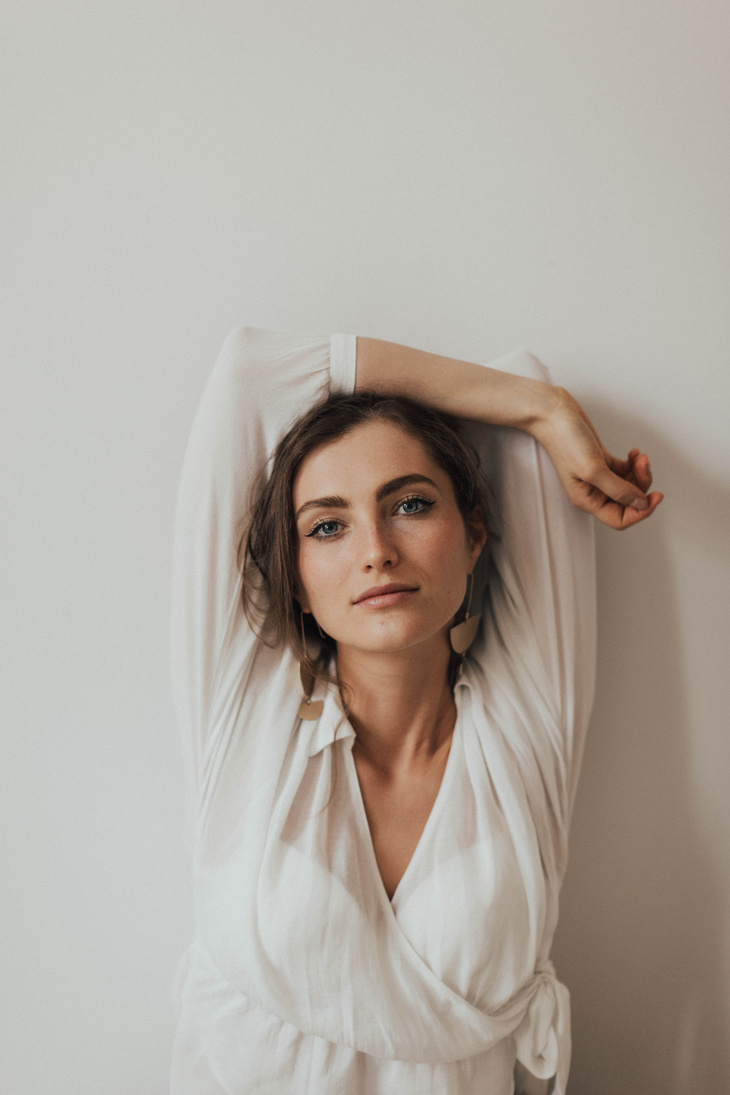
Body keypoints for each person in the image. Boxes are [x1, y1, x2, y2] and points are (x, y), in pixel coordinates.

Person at [169, 326, 662, 1095]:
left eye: (409, 503)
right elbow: (248, 372)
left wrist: (543, 409)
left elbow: (526, 433)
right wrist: (541, 403)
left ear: (474, 535)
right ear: (294, 578)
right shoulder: (245, 710)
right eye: (327, 524)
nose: (375, 549)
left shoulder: (524, 725)